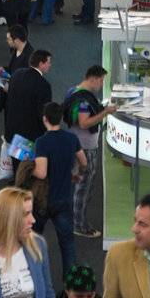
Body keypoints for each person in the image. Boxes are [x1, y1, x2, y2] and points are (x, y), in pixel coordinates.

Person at [32, 105, 86, 276]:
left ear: (44, 119)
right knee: (67, 244)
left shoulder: (42, 142)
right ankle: (70, 285)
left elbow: (41, 173)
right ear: (61, 118)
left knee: (33, 241)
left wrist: (28, 167)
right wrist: (77, 174)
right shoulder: (71, 138)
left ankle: (34, 278)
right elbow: (83, 162)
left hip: (43, 200)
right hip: (63, 198)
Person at [63, 66, 112, 240]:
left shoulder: (73, 91)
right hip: (85, 148)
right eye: (101, 81)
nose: (101, 84)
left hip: (78, 144)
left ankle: (75, 220)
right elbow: (84, 123)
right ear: (93, 79)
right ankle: (79, 225)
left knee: (78, 184)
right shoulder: (84, 101)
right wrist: (106, 112)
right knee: (83, 187)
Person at [4, 48, 53, 163]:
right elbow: (43, 113)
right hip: (29, 137)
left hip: (12, 131)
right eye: (48, 62)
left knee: (17, 167)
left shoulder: (17, 74)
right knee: (28, 169)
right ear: (41, 63)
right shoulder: (44, 85)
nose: (50, 65)